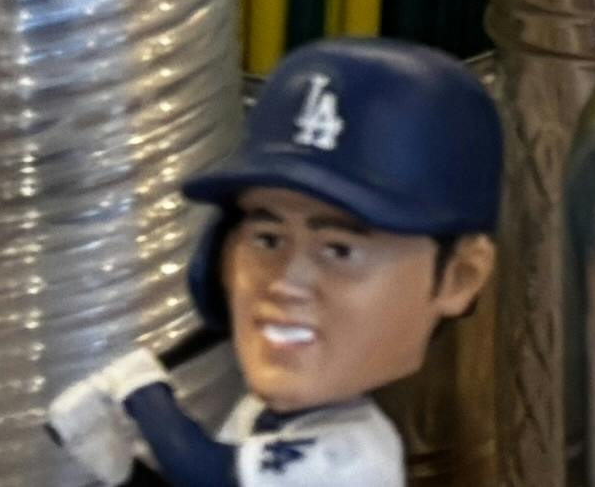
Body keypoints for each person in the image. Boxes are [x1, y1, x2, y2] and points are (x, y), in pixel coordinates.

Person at [49, 40, 499, 487]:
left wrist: (143, 391)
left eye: (339, 250)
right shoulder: (258, 415)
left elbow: (204, 473)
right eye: (268, 240)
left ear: (459, 277)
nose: (287, 281)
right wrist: (116, 463)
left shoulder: (353, 453)